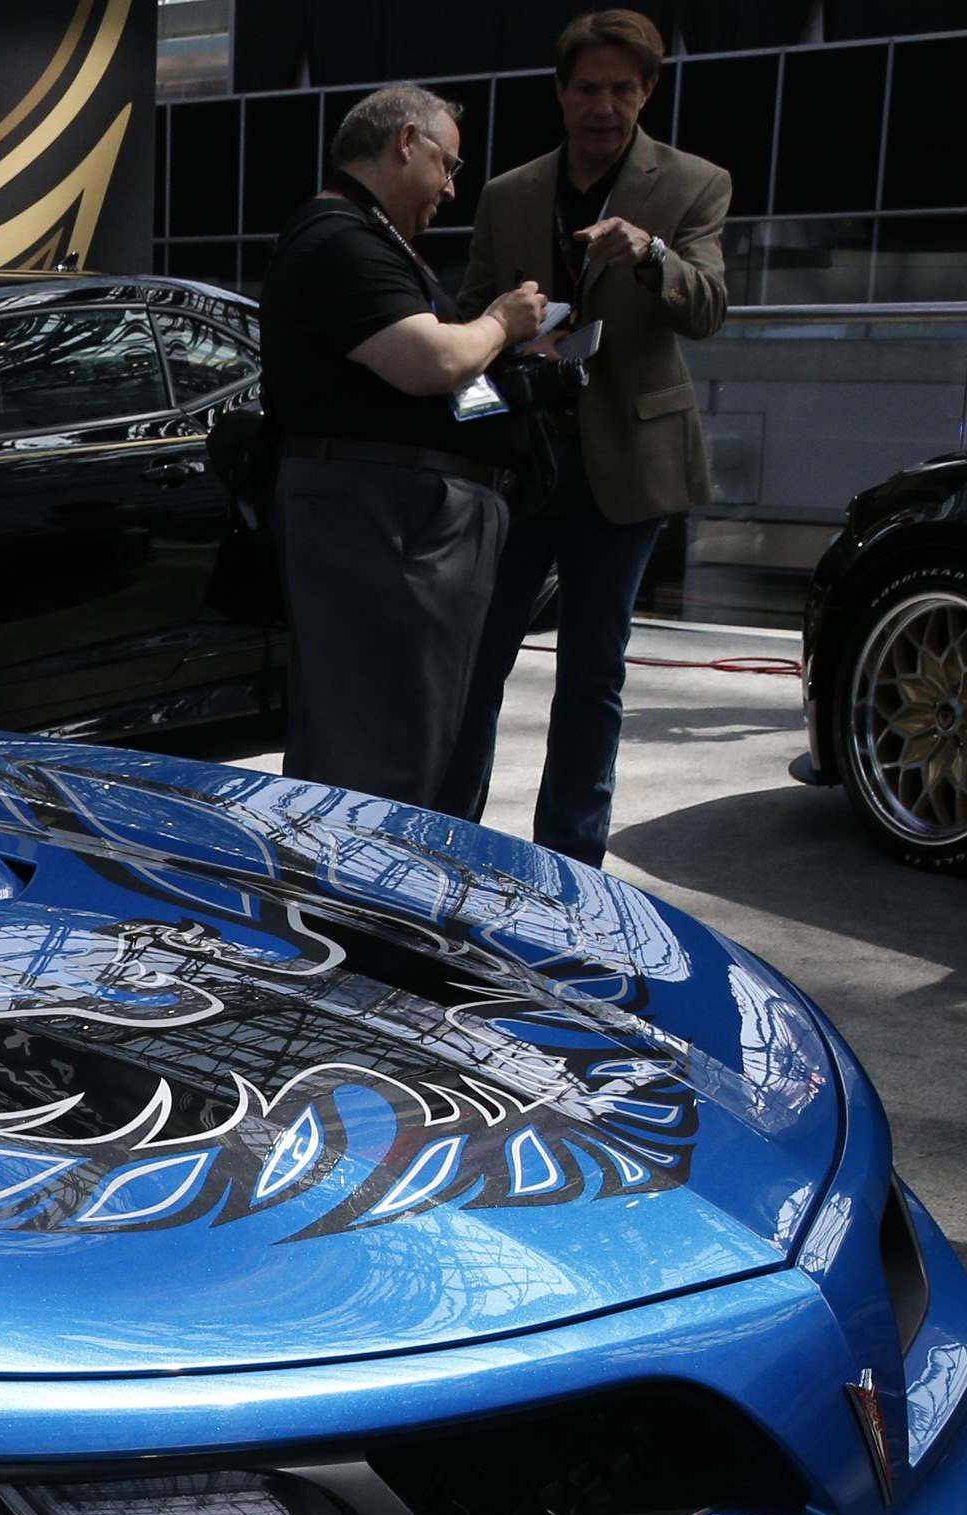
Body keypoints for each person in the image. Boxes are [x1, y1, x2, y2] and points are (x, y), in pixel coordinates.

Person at [440, 10, 731, 870]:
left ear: (648, 92)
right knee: (478, 661)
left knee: (591, 675)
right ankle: (451, 845)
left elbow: (707, 307)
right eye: (589, 89)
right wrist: (505, 329)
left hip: (628, 459)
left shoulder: (693, 184)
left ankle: (571, 864)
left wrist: (648, 253)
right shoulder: (508, 192)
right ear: (562, 94)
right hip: (521, 455)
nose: (605, 107)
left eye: (623, 89)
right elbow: (471, 308)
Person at [261, 87, 547, 812]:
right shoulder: (340, 239)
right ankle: (365, 919)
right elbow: (433, 362)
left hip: (404, 520)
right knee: (378, 758)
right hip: (386, 525)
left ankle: (388, 908)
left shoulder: (367, 239)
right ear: (406, 142)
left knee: (411, 747)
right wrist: (502, 323)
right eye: (447, 166)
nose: (451, 189)